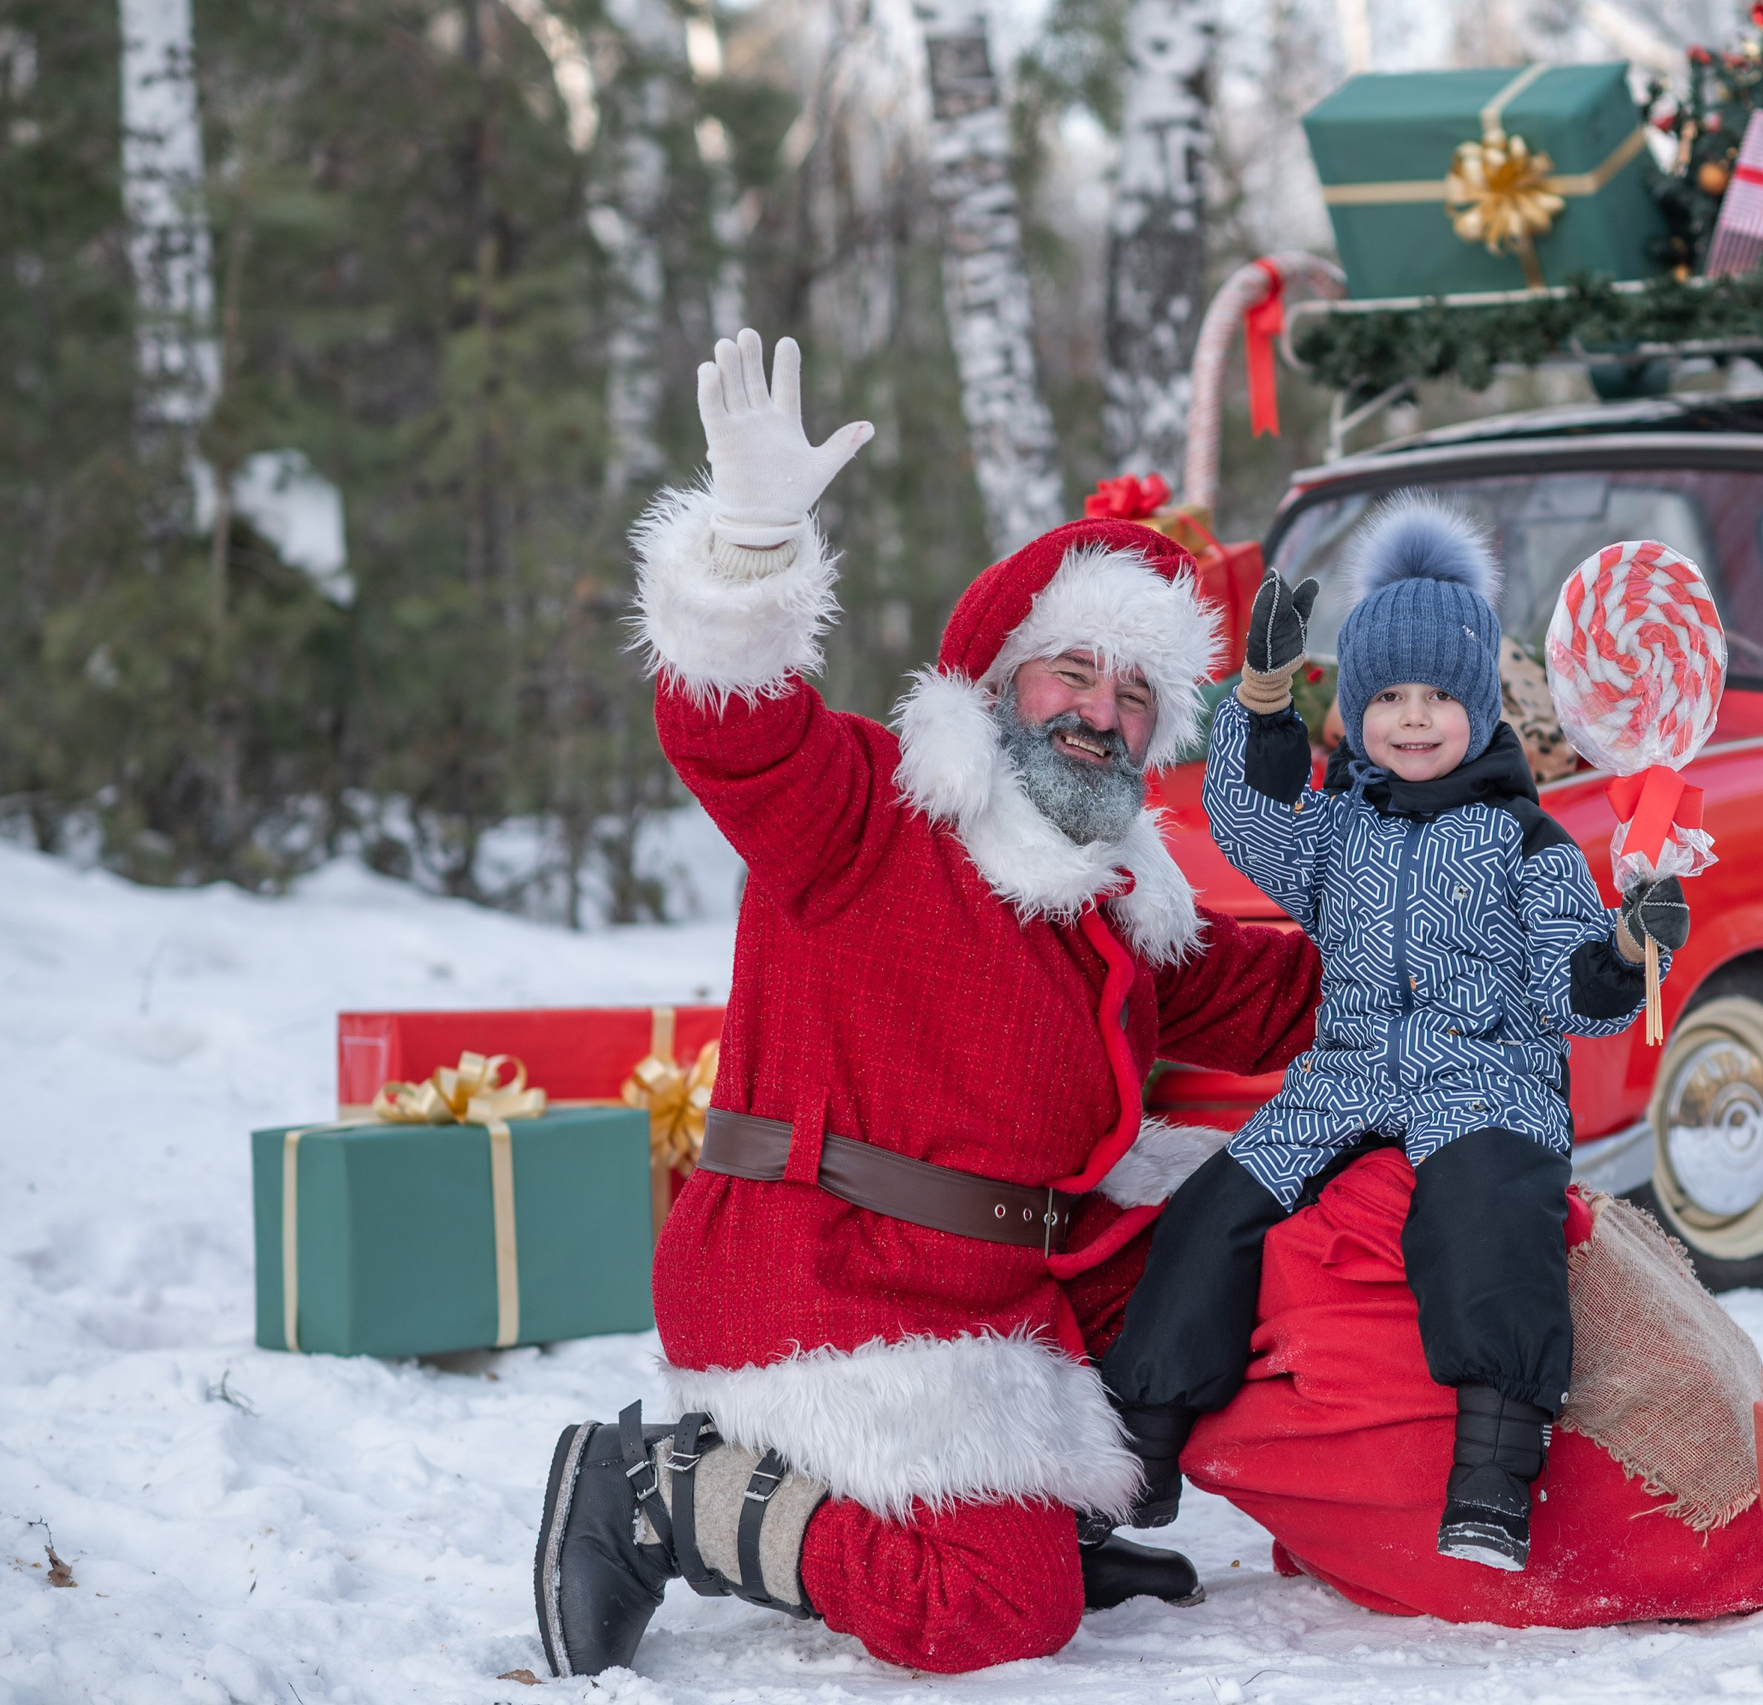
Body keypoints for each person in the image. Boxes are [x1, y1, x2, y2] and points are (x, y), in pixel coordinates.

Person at [530, 330, 1323, 1677]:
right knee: (996, 1611)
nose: (1098, 710)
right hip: (827, 1280)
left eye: (1134, 693)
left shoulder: (1117, 907)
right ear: (1003, 675)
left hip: (1003, 1286)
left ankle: (1056, 1495)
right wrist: (749, 549)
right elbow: (732, 729)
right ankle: (669, 1490)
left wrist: (1488, 905)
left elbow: (1279, 1001)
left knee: (1270, 1237)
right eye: (1072, 670)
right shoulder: (872, 812)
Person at [1099, 498, 1692, 1573]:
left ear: (1477, 706)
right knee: (1213, 1211)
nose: (1412, 719)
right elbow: (1246, 816)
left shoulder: (1526, 843)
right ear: (1357, 709)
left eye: (1435, 699)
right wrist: (1266, 696)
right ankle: (1140, 1448)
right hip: (1347, 1076)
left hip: (1484, 1079)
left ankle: (1492, 1476)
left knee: (1489, 1215)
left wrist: (1626, 952)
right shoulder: (1339, 827)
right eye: (1385, 698)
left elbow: (1578, 995)